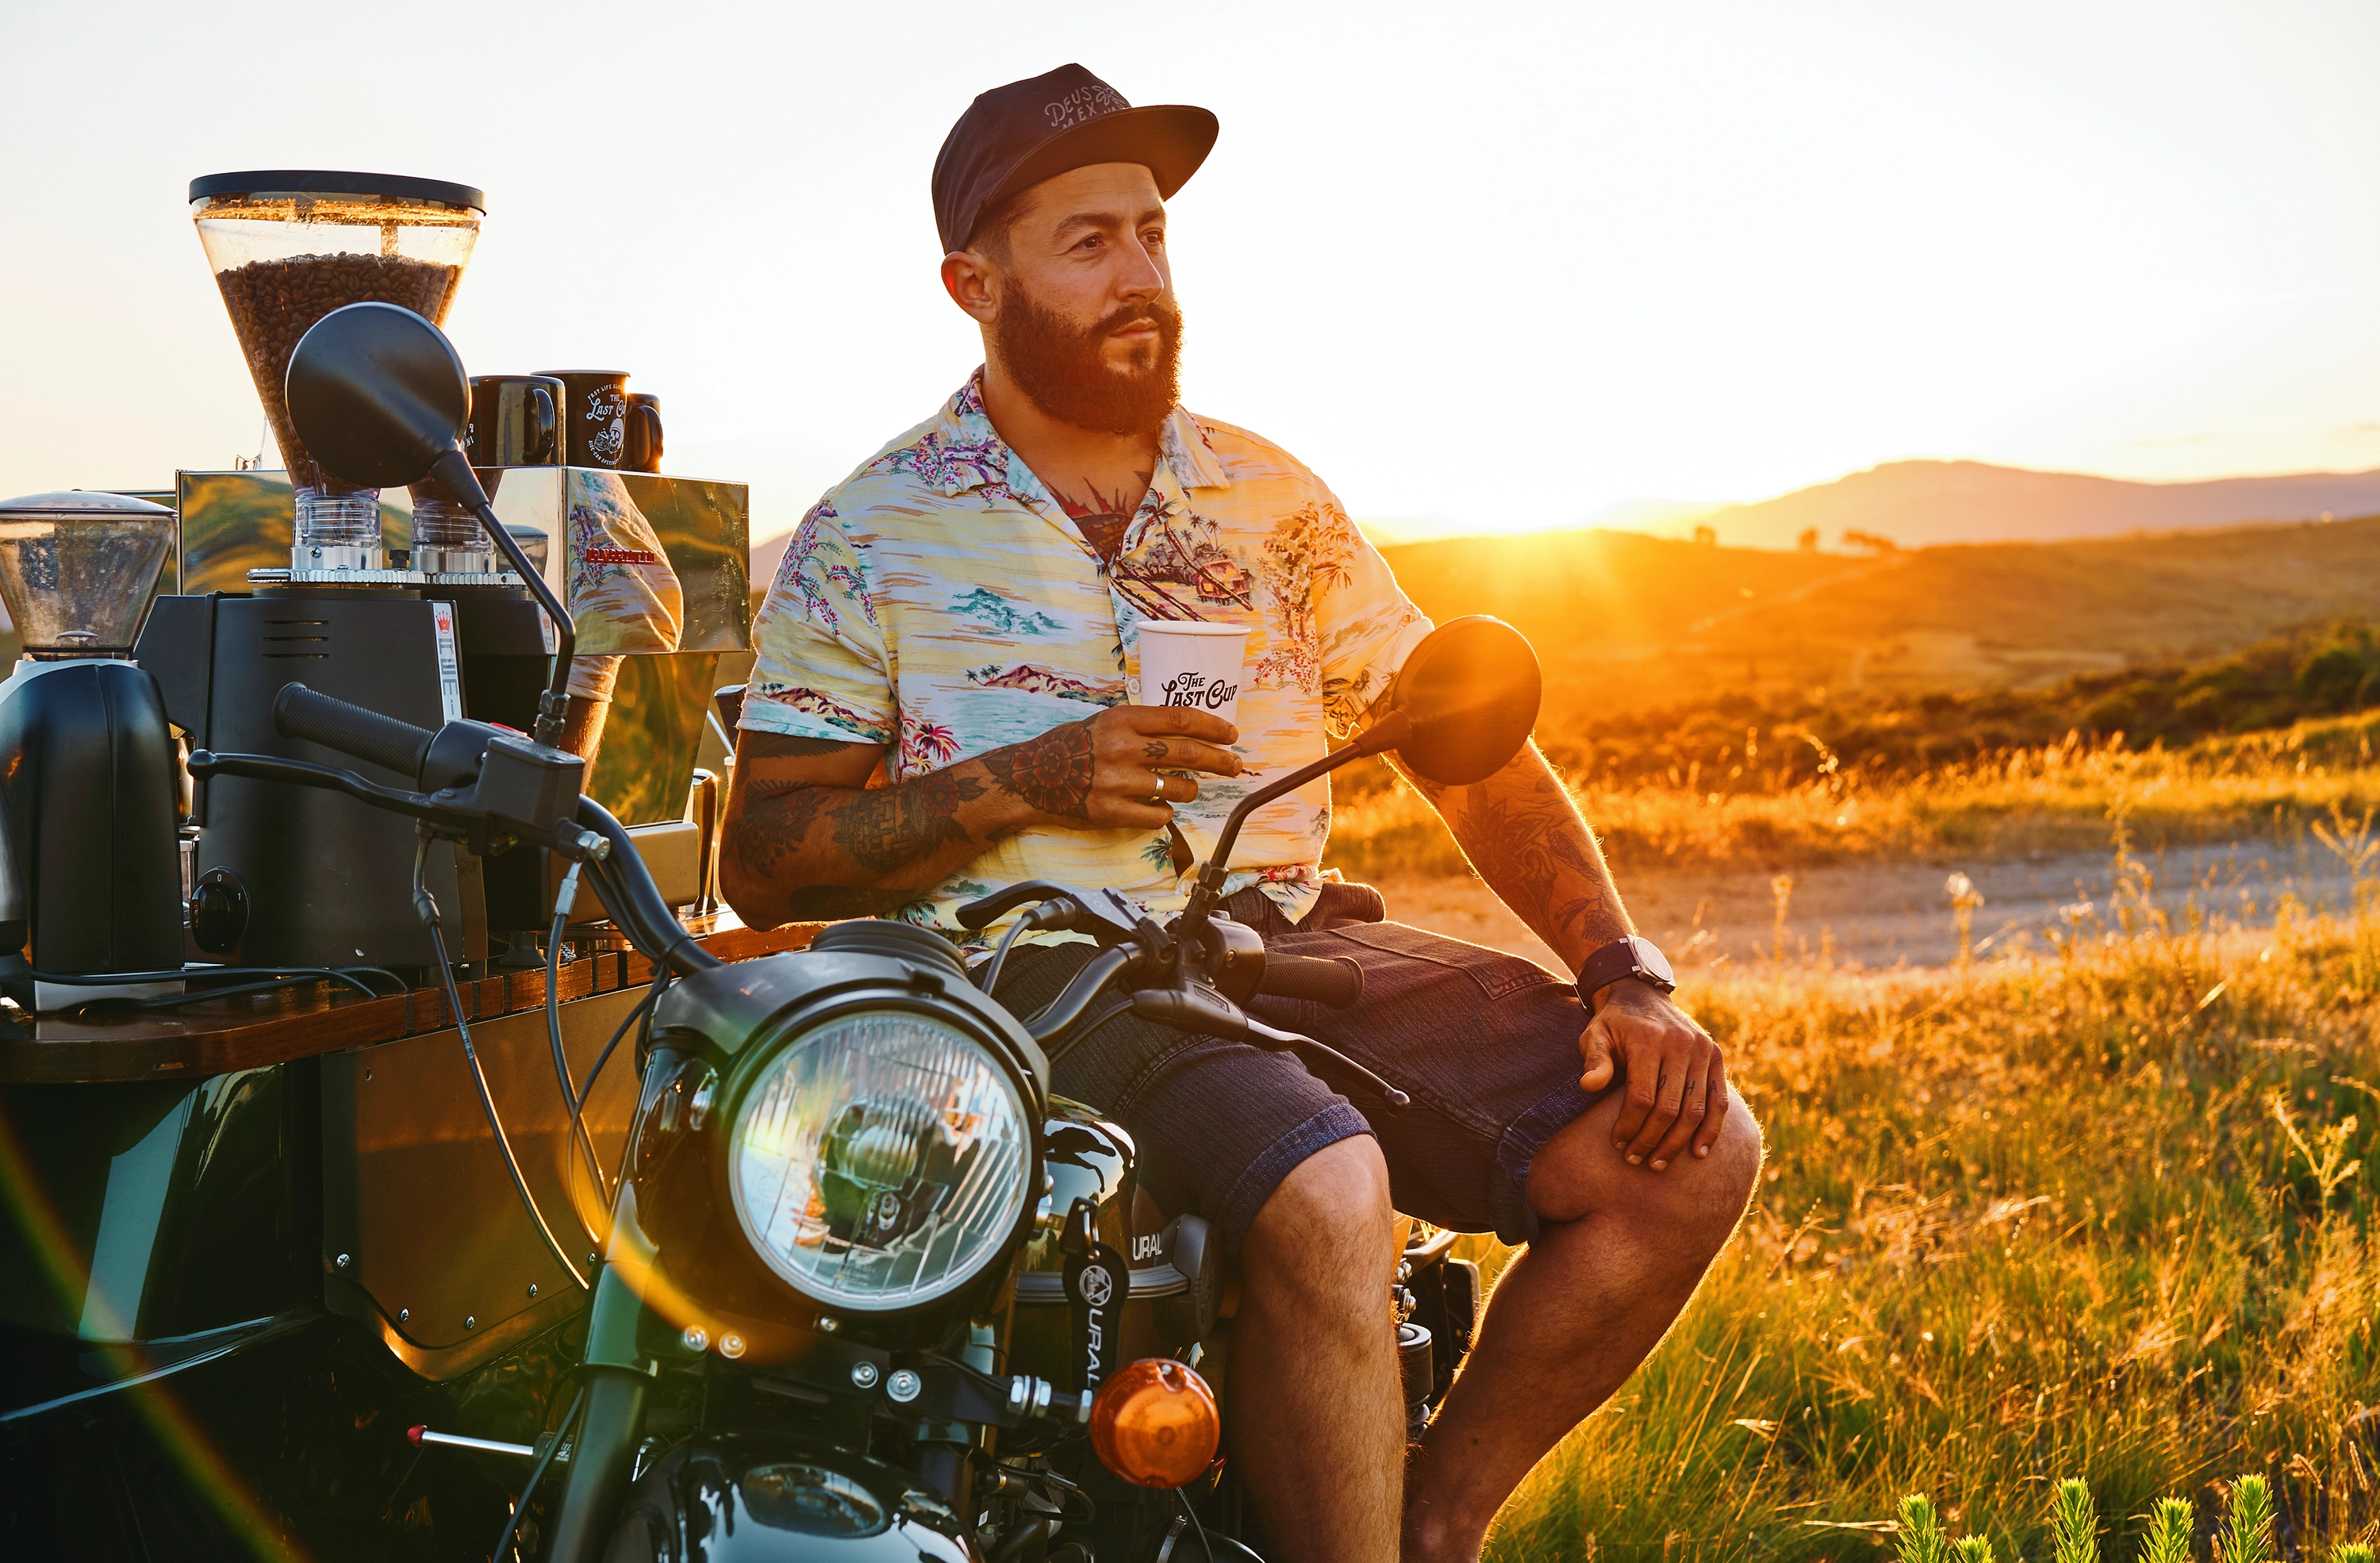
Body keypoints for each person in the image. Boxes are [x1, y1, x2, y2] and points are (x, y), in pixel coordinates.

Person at [720, 63, 1763, 1563]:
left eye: (1153, 235)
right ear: (974, 281)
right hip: (1034, 981)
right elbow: (766, 860)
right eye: (1090, 243)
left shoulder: (1273, 500)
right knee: (1329, 1186)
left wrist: (1626, 971)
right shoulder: (867, 531)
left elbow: (1461, 742)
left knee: (1690, 1145)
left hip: (1281, 953)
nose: (1142, 275)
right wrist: (1031, 777)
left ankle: (1433, 1524)